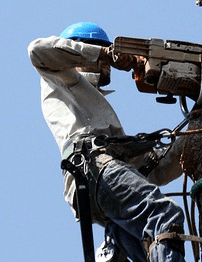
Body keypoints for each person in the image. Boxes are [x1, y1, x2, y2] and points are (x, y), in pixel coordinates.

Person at [28, 22, 186, 262]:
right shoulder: (58, 75)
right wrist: (105, 53)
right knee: (163, 214)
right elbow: (37, 49)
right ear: (79, 49)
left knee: (151, 248)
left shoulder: (99, 111)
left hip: (97, 183)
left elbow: (153, 169)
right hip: (93, 168)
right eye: (100, 50)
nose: (108, 63)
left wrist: (199, 127)